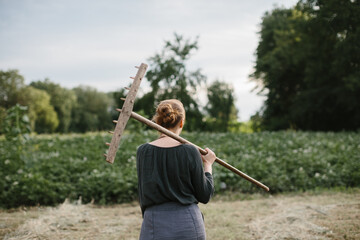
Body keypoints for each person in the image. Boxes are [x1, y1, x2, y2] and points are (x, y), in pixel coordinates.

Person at [136, 99, 216, 240]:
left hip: (154, 222)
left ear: (158, 122)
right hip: (188, 223)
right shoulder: (190, 151)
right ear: (181, 122)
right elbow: (204, 195)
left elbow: (143, 195)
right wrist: (208, 165)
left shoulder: (143, 151)